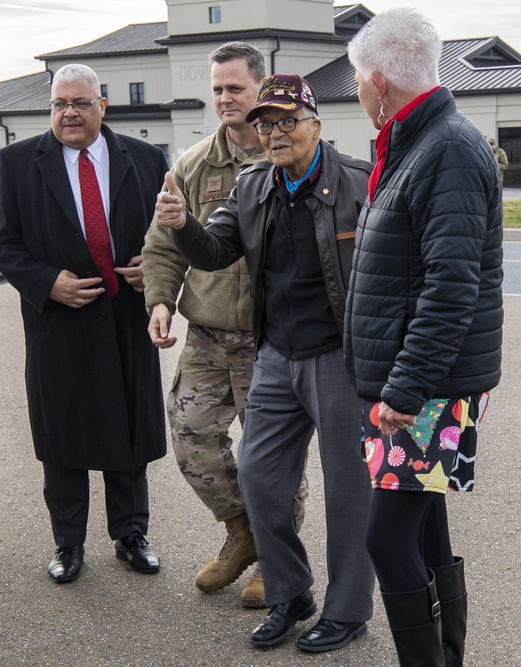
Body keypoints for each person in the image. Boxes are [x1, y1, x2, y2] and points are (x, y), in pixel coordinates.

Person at [154, 73, 375, 654]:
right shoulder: (253, 186)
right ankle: (290, 592)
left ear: (315, 125)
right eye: (267, 124)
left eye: (287, 122)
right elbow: (216, 250)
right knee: (260, 477)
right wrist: (182, 225)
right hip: (275, 353)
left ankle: (348, 609)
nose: (276, 134)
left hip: (338, 356)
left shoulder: (357, 183)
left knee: (349, 491)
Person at [345, 9, 504, 666]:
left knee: (386, 540)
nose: (357, 90)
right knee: (426, 528)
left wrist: (404, 389)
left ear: (379, 81)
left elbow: (451, 286)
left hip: (427, 388)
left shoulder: (447, 150)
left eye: (358, 78)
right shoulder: (416, 143)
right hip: (417, 381)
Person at [0, 63, 168, 584]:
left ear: (101, 106)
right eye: (60, 103)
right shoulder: (20, 163)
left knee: (128, 432)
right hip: (60, 326)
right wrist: (48, 283)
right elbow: (0, 242)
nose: (70, 112)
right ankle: (68, 544)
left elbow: (168, 235)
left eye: (81, 103)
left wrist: (150, 269)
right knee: (62, 439)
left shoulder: (146, 159)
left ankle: (131, 534)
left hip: (126, 320)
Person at [142, 42, 307, 609]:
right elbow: (162, 246)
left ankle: (279, 560)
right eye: (216, 89)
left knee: (273, 456)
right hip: (209, 336)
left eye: (235, 88)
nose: (224, 99)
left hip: (272, 338)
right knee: (193, 446)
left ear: (261, 90)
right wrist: (160, 301)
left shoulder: (289, 153)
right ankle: (245, 534)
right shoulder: (191, 165)